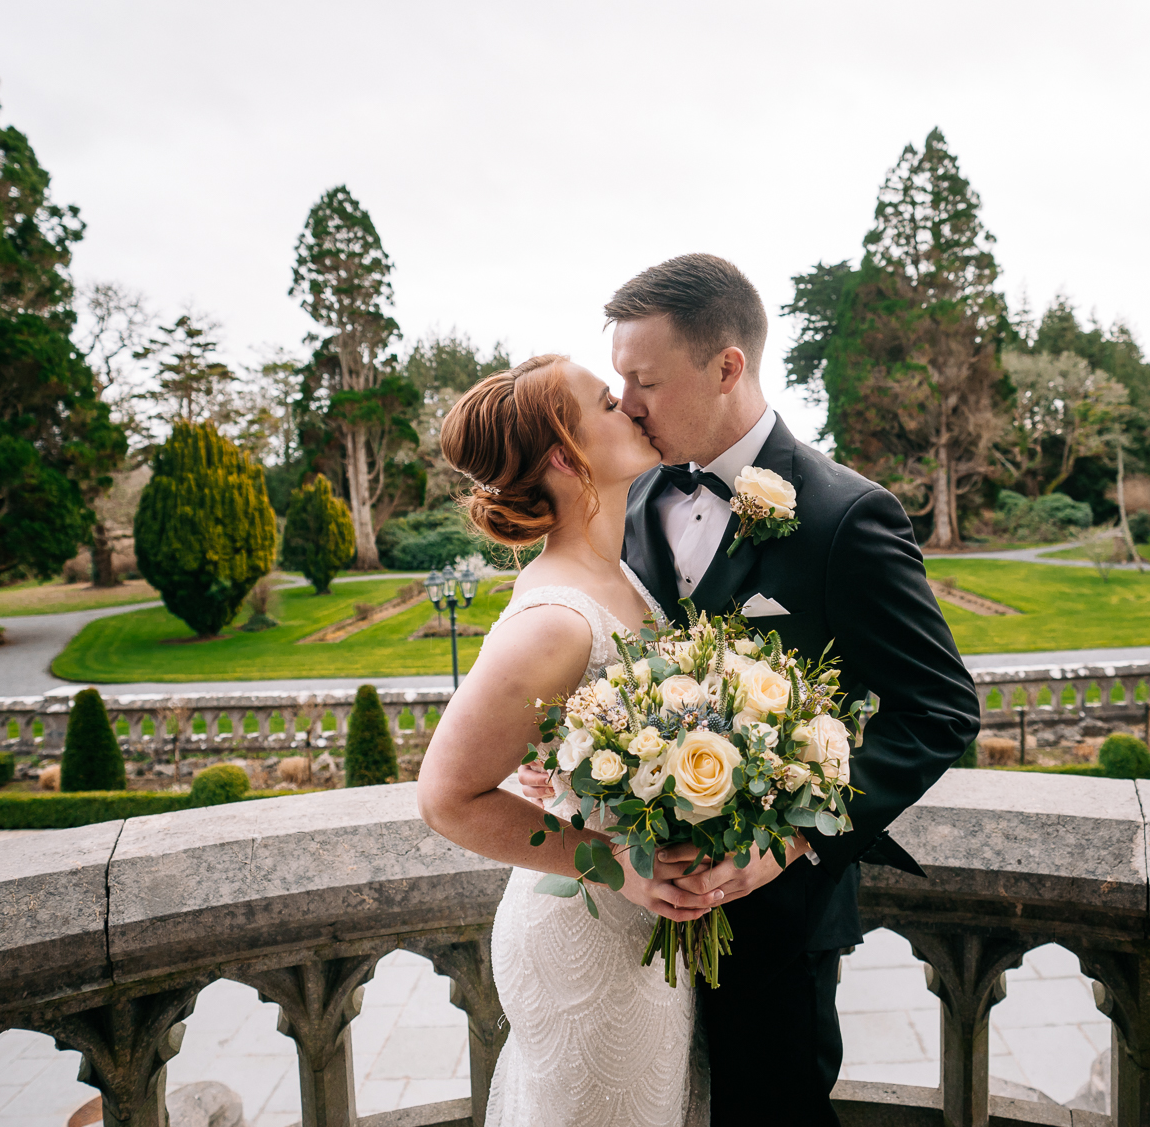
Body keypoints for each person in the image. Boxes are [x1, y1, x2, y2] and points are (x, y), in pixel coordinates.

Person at [517, 254, 981, 1125]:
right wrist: (563, 760)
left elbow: (941, 709)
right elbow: (596, 669)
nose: (627, 403)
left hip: (776, 927)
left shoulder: (847, 517)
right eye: (617, 380)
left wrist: (791, 844)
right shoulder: (626, 491)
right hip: (625, 919)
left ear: (727, 367)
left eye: (644, 379)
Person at [417, 353, 719, 1127]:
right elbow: (447, 796)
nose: (635, 409)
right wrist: (615, 862)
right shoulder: (555, 619)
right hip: (584, 933)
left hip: (641, 925)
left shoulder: (621, 575)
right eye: (609, 403)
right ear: (564, 453)